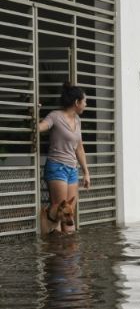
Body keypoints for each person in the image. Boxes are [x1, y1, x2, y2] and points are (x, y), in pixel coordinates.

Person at [37, 82, 90, 233]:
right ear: (76, 102)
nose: (85, 104)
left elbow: (79, 148)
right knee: (59, 212)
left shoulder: (77, 121)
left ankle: (69, 250)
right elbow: (40, 127)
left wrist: (86, 172)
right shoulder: (55, 116)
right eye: (84, 101)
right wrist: (36, 112)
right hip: (57, 167)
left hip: (72, 170)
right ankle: (56, 248)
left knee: (69, 213)